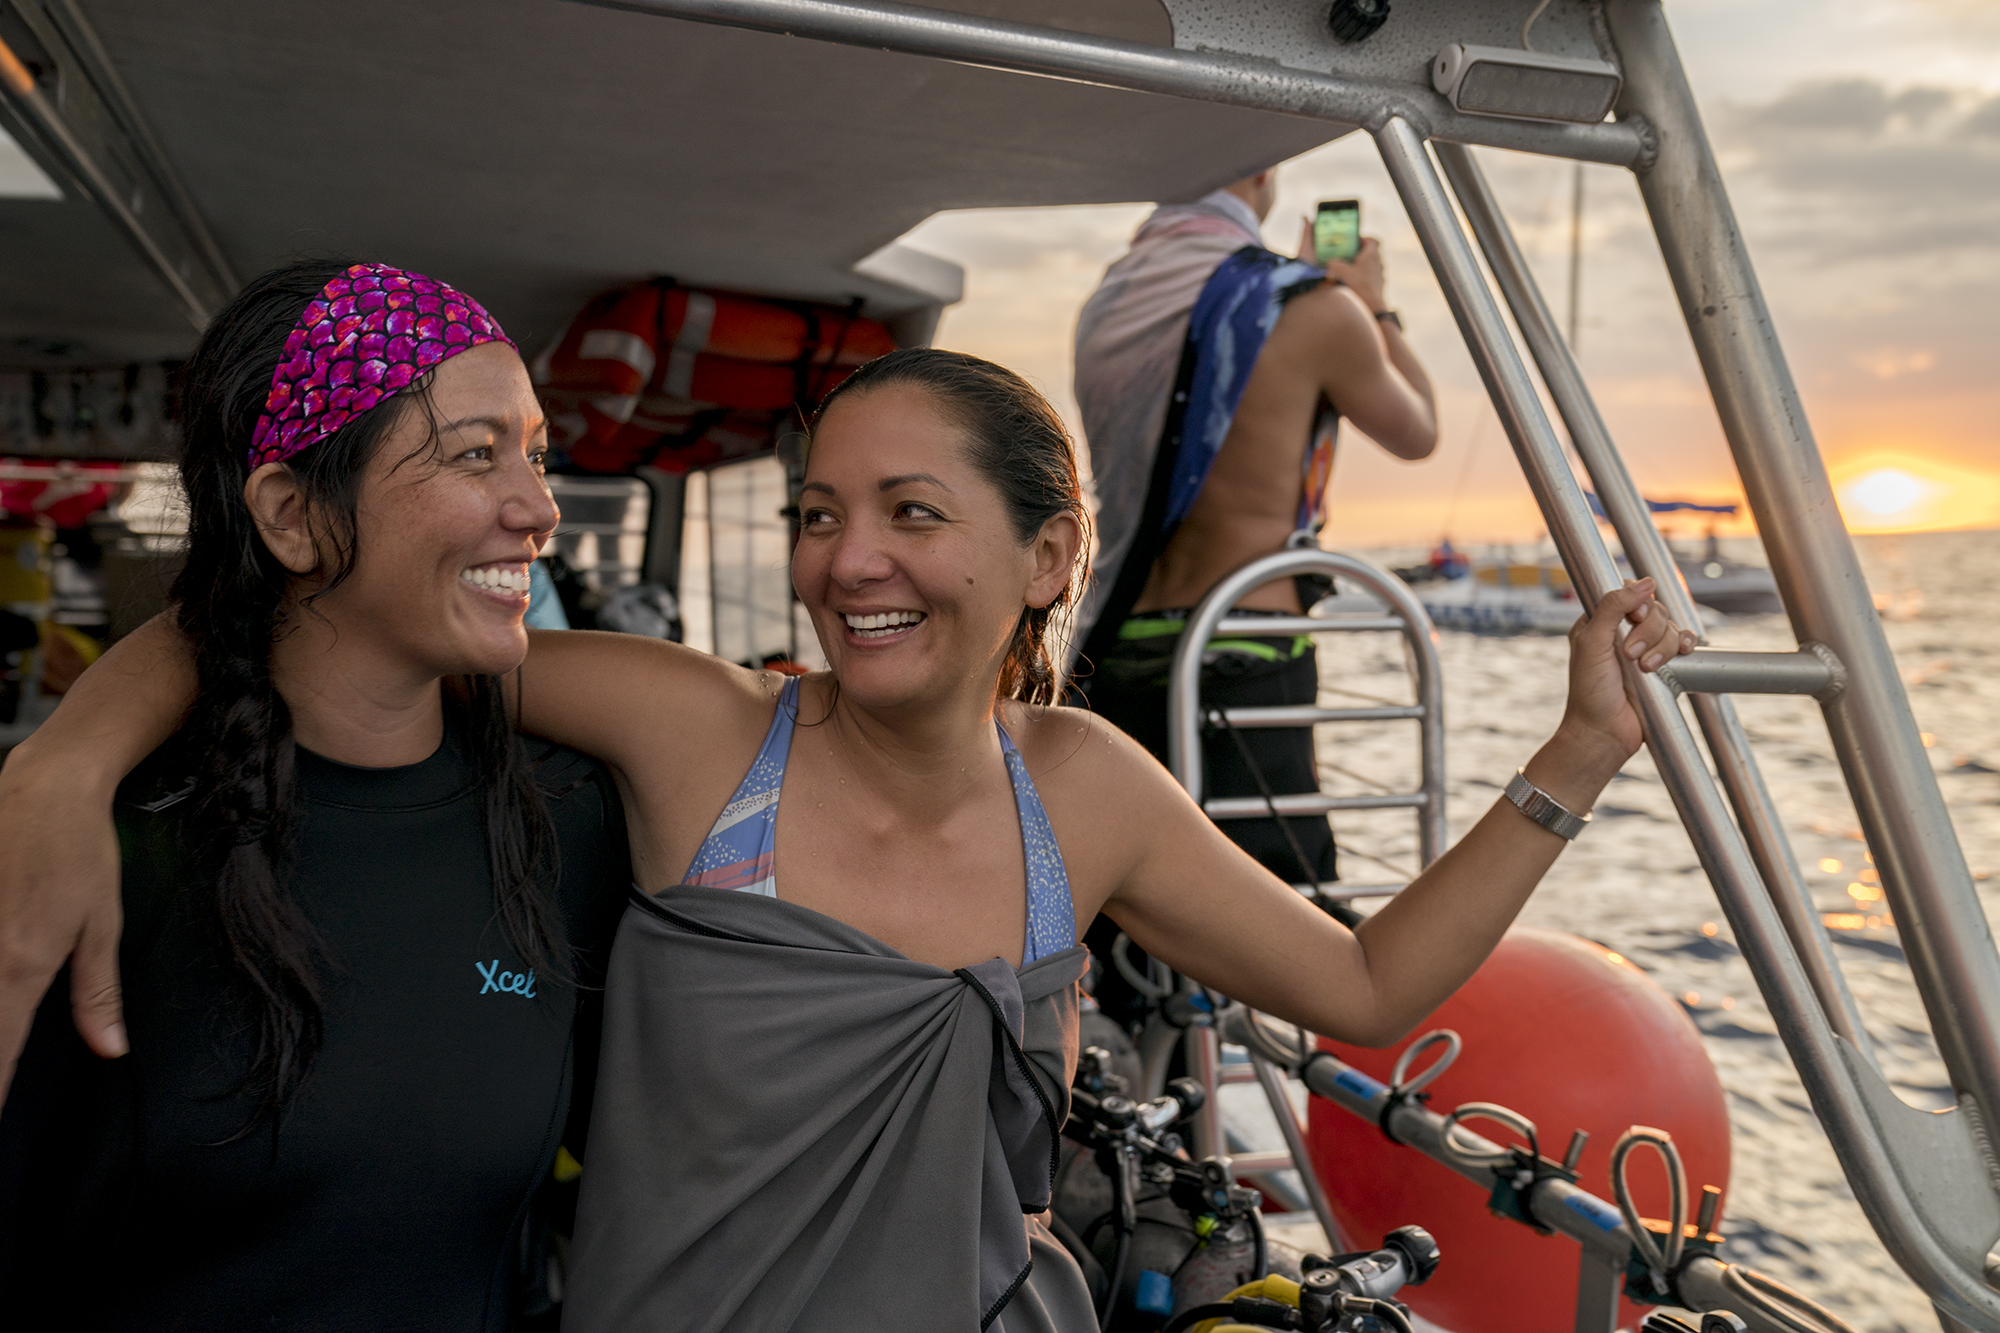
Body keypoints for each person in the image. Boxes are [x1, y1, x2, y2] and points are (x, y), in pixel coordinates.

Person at [0, 346, 1693, 1332]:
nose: (846, 558)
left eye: (910, 513)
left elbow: (1368, 972)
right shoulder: (695, 727)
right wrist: (64, 765)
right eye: (820, 512)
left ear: (1045, 558)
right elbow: (329, 606)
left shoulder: (1085, 789)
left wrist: (1581, 748)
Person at [0, 260, 631, 1331]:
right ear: (294, 515)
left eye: (533, 452)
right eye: (475, 455)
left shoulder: (571, 821)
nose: (538, 508)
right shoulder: (92, 841)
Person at [1069, 166, 1437, 901]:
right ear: (1264, 168)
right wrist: (1372, 305)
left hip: (1120, 641)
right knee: (1282, 916)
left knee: (1140, 907)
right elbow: (1417, 431)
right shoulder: (1312, 306)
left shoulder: (1110, 301)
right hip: (1249, 642)